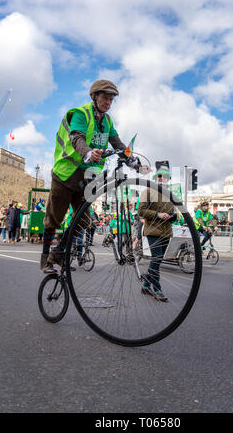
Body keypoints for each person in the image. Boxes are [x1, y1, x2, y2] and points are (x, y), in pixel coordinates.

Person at [40, 79, 149, 274]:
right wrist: (88, 153)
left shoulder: (107, 122)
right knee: (54, 219)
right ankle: (45, 260)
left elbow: (118, 144)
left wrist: (134, 163)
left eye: (111, 100)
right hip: (65, 174)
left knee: (83, 219)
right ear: (94, 97)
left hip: (87, 177)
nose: (108, 103)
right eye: (105, 98)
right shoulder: (81, 114)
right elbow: (76, 137)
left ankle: (58, 253)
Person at [138, 165, 176, 302]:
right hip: (153, 230)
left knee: (157, 260)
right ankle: (157, 289)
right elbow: (141, 211)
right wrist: (158, 214)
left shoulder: (170, 194)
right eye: (160, 176)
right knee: (157, 257)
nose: (163, 179)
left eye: (165, 177)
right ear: (156, 178)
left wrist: (172, 216)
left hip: (166, 232)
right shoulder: (148, 191)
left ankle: (145, 285)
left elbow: (174, 213)